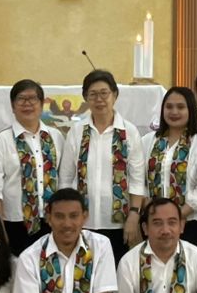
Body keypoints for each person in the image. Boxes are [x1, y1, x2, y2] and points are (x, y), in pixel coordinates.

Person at [60, 69, 146, 257]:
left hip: (118, 223)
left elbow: (137, 179)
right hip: (82, 221)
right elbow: (66, 178)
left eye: (104, 93)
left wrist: (134, 214)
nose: (99, 99)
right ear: (86, 98)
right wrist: (67, 216)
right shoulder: (77, 131)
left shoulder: (129, 132)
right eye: (93, 94)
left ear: (115, 95)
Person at [0, 79, 65, 255]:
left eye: (33, 98)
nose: (27, 104)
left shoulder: (56, 137)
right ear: (12, 106)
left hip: (52, 221)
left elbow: (64, 180)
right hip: (15, 223)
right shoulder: (1, 140)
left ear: (41, 104)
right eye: (21, 99)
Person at [142, 86, 197, 251]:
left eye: (180, 107)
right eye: (169, 107)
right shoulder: (148, 141)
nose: (174, 112)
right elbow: (138, 179)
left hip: (193, 225)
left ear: (191, 110)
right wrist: (149, 208)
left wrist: (177, 216)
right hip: (155, 223)